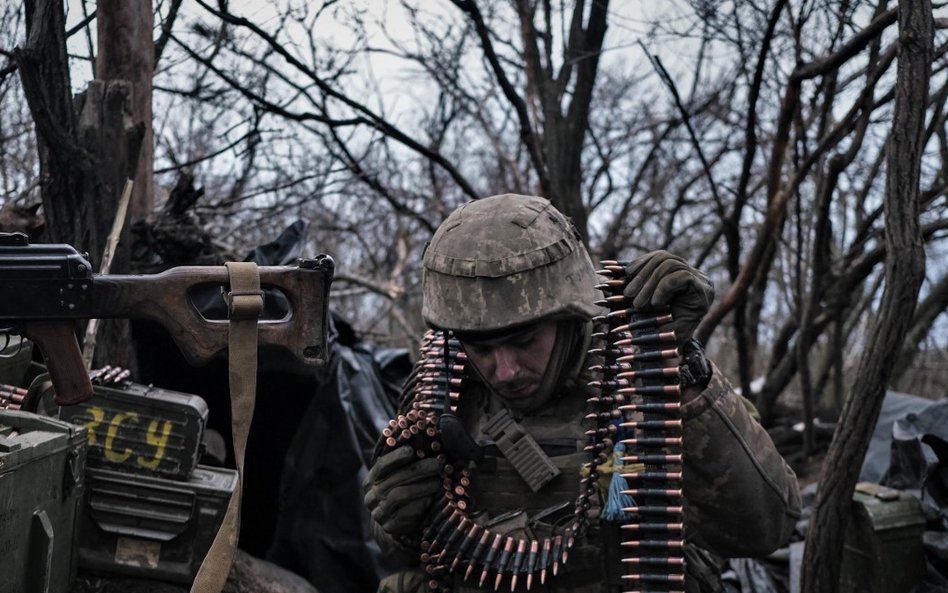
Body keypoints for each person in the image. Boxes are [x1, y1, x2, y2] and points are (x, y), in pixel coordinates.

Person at [364, 194, 802, 593]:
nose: (506, 370)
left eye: (524, 340)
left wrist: (681, 367)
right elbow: (416, 550)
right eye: (481, 347)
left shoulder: (638, 369)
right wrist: (397, 519)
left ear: (570, 314)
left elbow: (765, 529)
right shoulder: (441, 385)